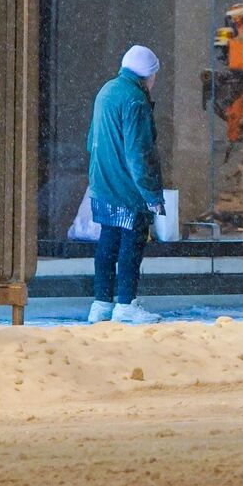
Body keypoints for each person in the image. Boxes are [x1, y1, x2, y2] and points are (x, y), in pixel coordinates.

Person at [87, 44, 166, 325]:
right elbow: (139, 153)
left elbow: (90, 140)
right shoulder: (135, 100)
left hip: (102, 183)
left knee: (107, 243)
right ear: (147, 75)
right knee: (132, 246)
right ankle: (125, 303)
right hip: (127, 190)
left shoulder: (106, 91)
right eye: (154, 76)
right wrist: (152, 194)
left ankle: (101, 303)